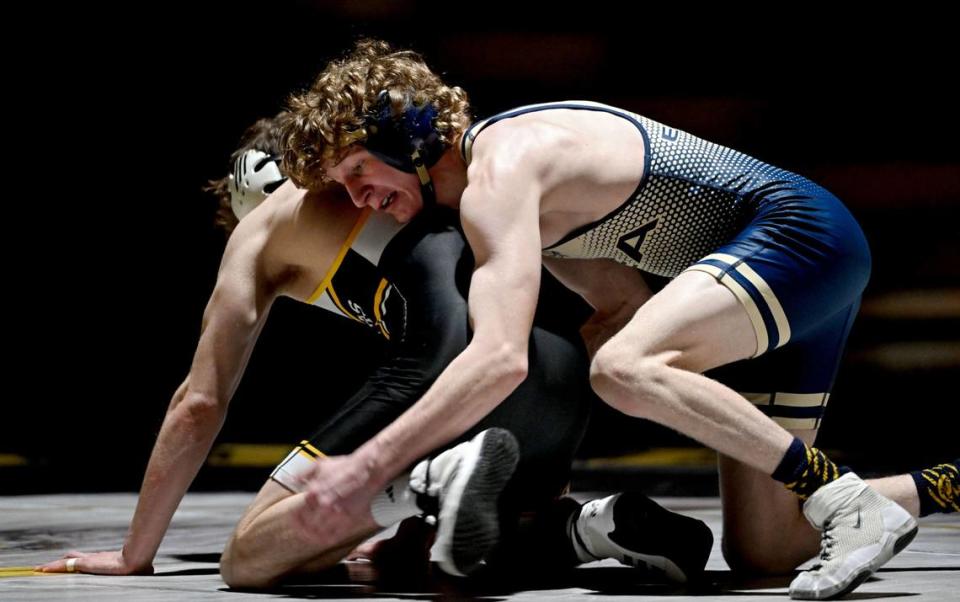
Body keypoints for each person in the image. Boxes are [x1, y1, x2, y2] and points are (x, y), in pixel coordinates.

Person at [281, 40, 958, 600]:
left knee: (625, 368)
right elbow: (621, 309)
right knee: (766, 547)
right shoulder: (523, 192)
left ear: (408, 136)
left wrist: (366, 465)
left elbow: (501, 359)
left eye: (356, 171)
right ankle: (944, 485)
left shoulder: (502, 171)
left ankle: (840, 495)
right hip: (793, 271)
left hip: (801, 239)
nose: (359, 200)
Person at [36, 114, 715, 588]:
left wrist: (135, 553)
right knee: (422, 555)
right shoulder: (441, 179)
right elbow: (613, 300)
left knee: (249, 559)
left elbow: (200, 402)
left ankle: (420, 484)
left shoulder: (265, 225)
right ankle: (590, 528)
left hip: (454, 363)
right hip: (556, 370)